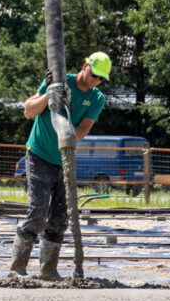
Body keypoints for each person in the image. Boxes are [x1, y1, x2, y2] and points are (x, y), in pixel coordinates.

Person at [9, 52, 111, 280]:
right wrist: (49, 95)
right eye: (94, 75)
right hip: (39, 154)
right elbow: (28, 111)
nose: (96, 81)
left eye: (101, 79)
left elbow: (83, 131)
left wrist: (65, 123)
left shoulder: (96, 99)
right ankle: (16, 268)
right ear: (85, 66)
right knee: (38, 211)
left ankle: (48, 270)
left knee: (60, 217)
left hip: (64, 159)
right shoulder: (57, 80)